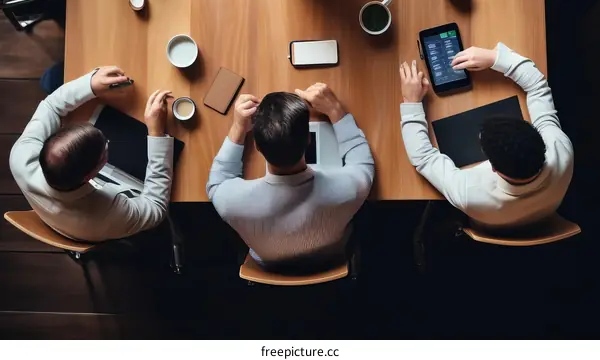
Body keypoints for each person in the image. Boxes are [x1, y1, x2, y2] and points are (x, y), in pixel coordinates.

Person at [399, 44, 573, 227]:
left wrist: (411, 102)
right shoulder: (561, 151)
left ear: (493, 168)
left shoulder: (469, 194)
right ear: (540, 138)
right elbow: (537, 86)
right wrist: (494, 58)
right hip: (543, 218)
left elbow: (423, 158)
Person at [207, 83, 375, 267]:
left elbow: (218, 180)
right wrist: (335, 110)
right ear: (309, 140)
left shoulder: (230, 203)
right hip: (330, 258)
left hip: (270, 265)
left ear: (257, 146)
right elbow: (362, 163)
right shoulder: (349, 191)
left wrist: (238, 127)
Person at [9, 66, 174, 241]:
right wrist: (156, 133)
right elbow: (156, 208)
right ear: (91, 175)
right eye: (105, 151)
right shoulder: (107, 214)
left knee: (53, 77)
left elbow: (51, 107)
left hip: (60, 212)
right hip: (102, 216)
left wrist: (90, 85)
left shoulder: (21, 157)